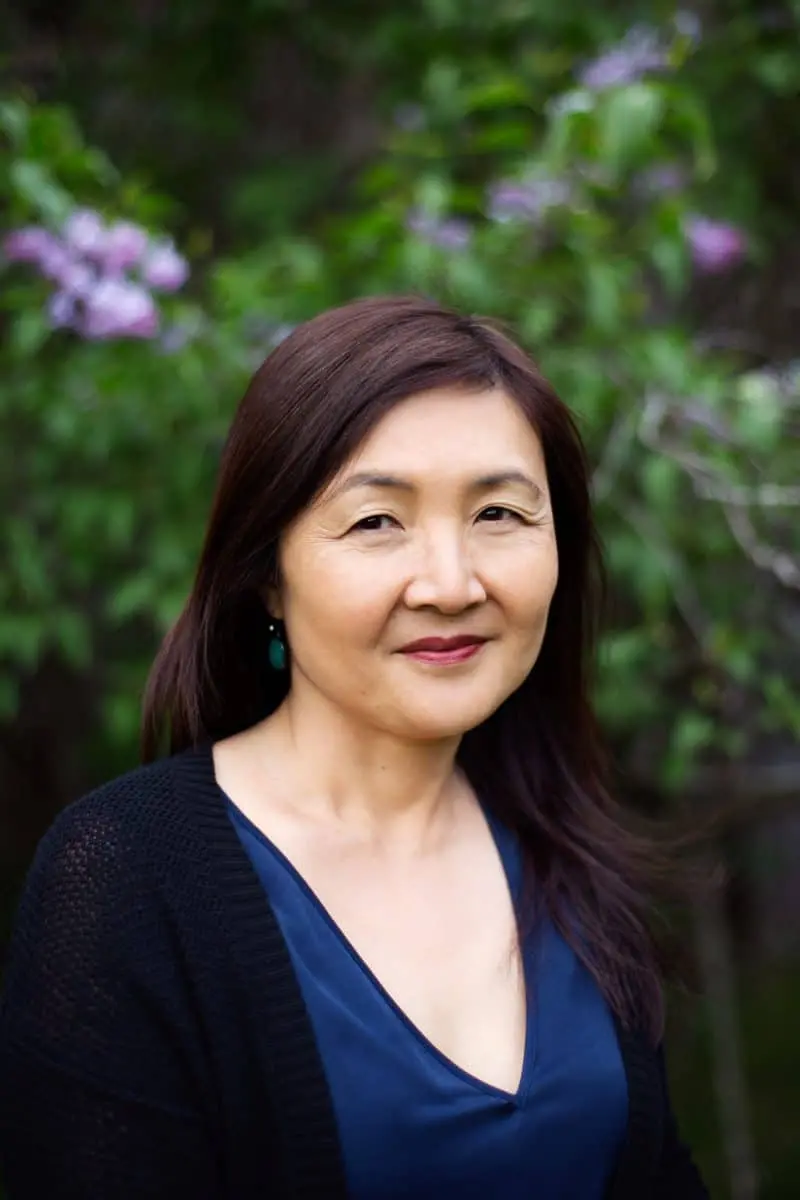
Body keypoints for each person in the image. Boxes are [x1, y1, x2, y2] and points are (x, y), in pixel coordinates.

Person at [0, 295, 709, 1199]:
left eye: (499, 514)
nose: (452, 585)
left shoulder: (568, 853)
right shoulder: (133, 877)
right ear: (266, 572)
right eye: (378, 522)